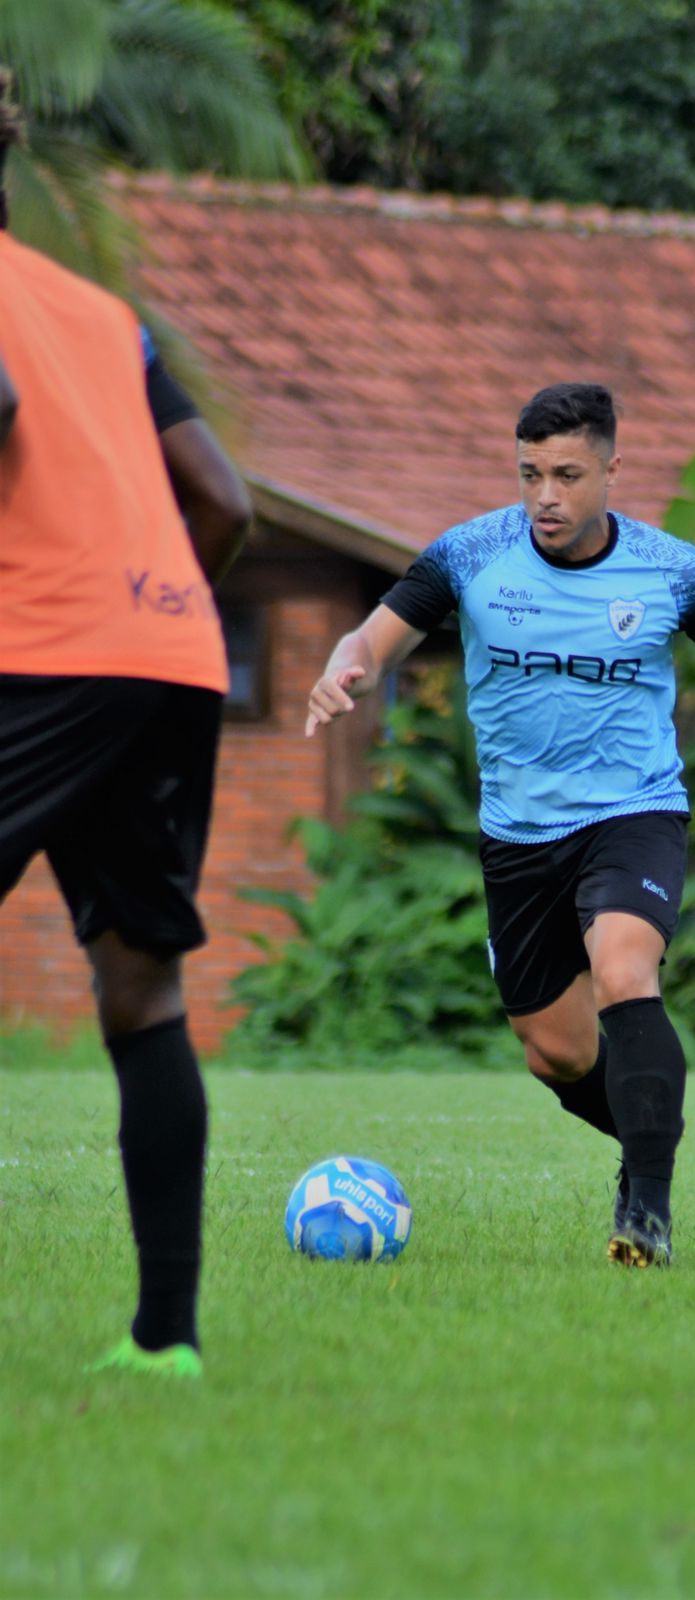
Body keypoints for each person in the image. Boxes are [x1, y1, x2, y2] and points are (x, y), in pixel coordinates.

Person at [307, 381, 695, 1266]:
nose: (546, 495)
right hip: (517, 833)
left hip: (634, 813)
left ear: (613, 471)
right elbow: (373, 637)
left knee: (625, 970)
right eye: (531, 474)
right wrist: (344, 667)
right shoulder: (472, 554)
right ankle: (645, 1137)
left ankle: (646, 1217)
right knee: (556, 1055)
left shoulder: (672, 571)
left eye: (568, 475)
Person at [0, 74, 252, 1376]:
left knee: (141, 989)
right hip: (172, 652)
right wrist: (138, 612)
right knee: (142, 989)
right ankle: (166, 1341)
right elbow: (223, 499)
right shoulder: (100, 314)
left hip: (39, 655)